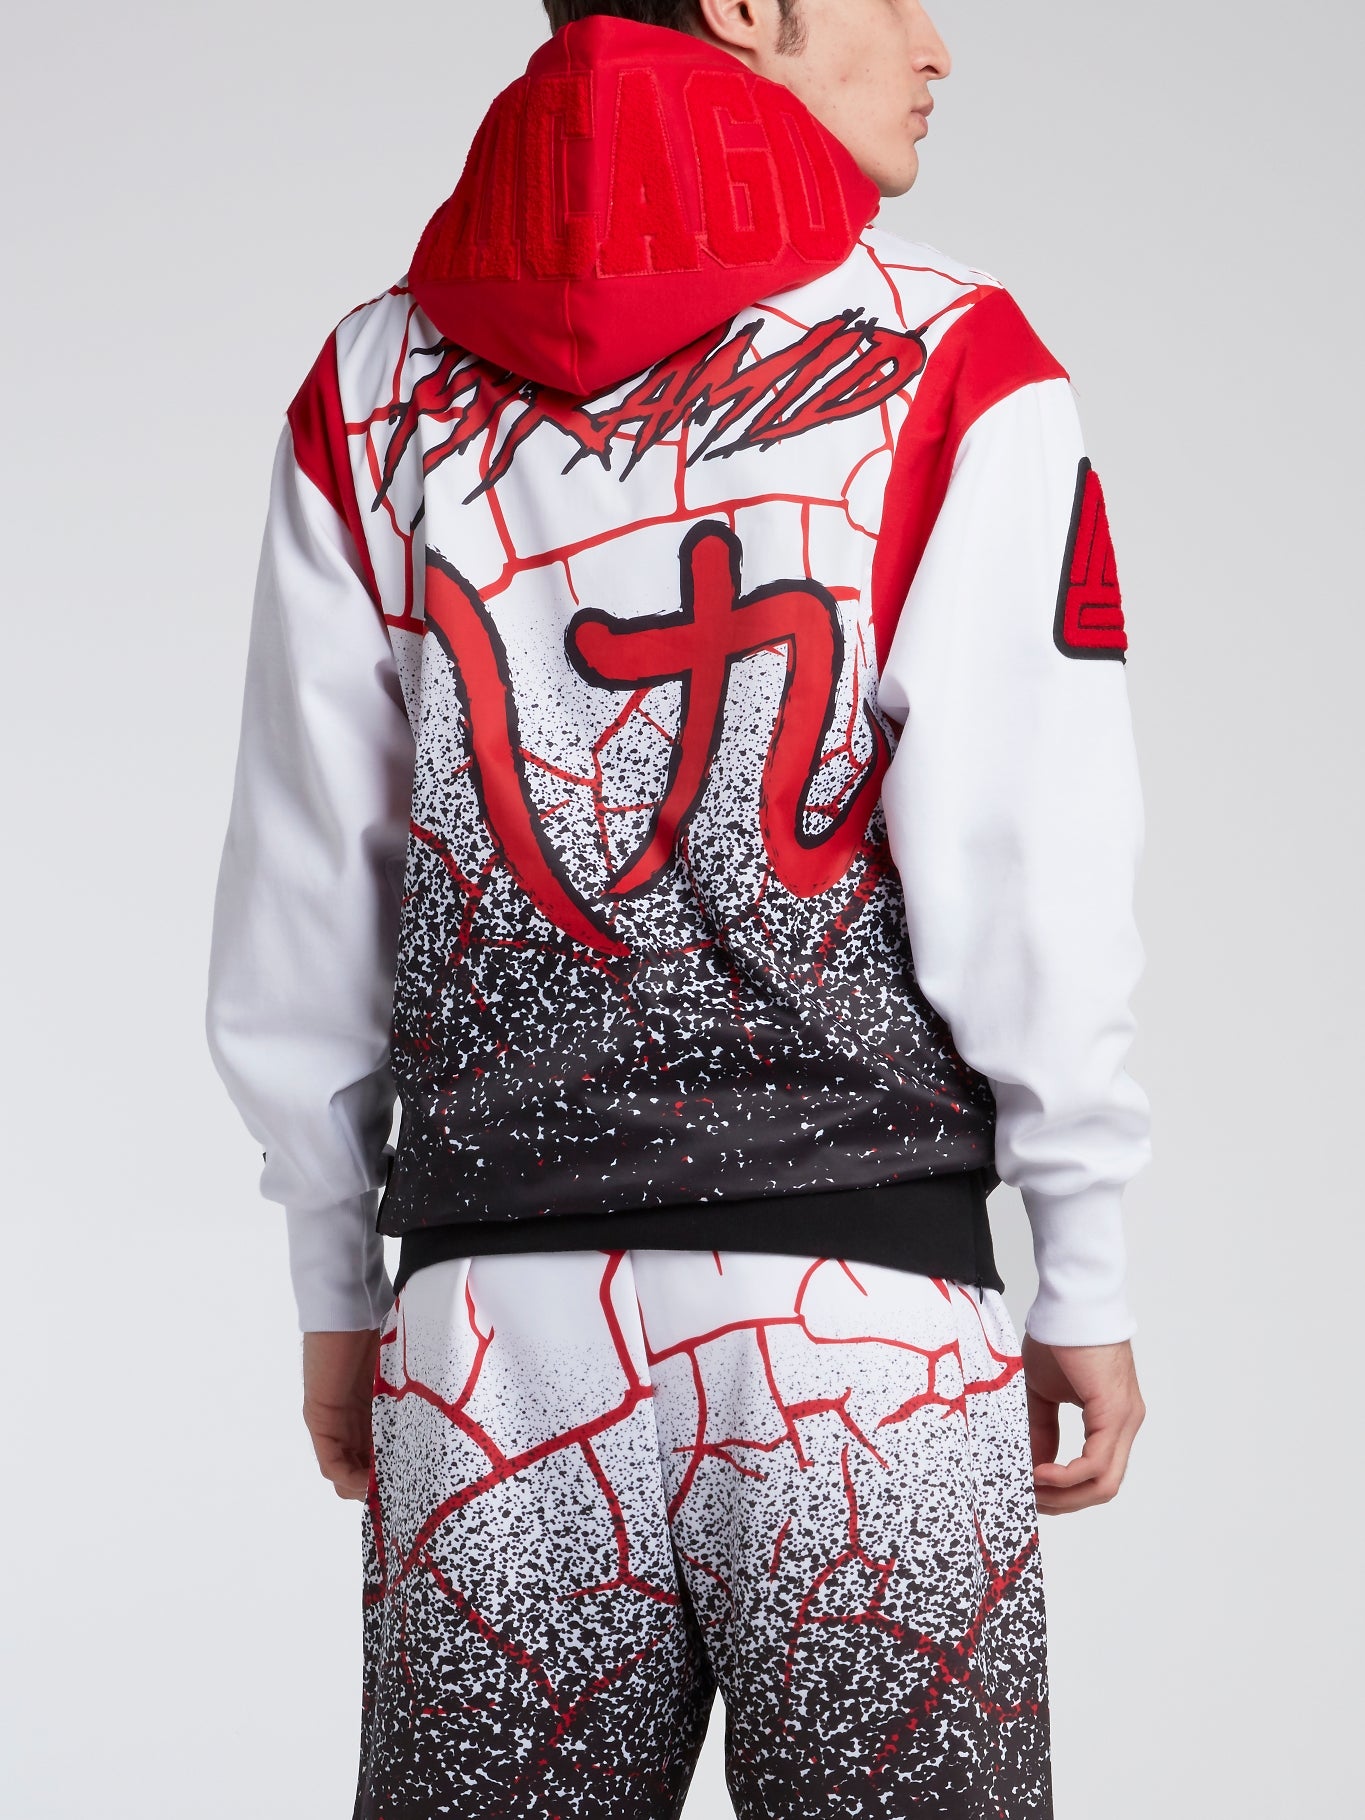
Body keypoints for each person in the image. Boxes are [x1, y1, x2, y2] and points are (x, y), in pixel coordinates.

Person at [206, 1, 1150, 1813]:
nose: (932, 44)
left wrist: (334, 1275)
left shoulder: (370, 383)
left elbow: (312, 867)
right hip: (861, 1318)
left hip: (486, 1332)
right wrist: (1083, 1255)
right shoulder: (955, 354)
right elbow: (1024, 854)